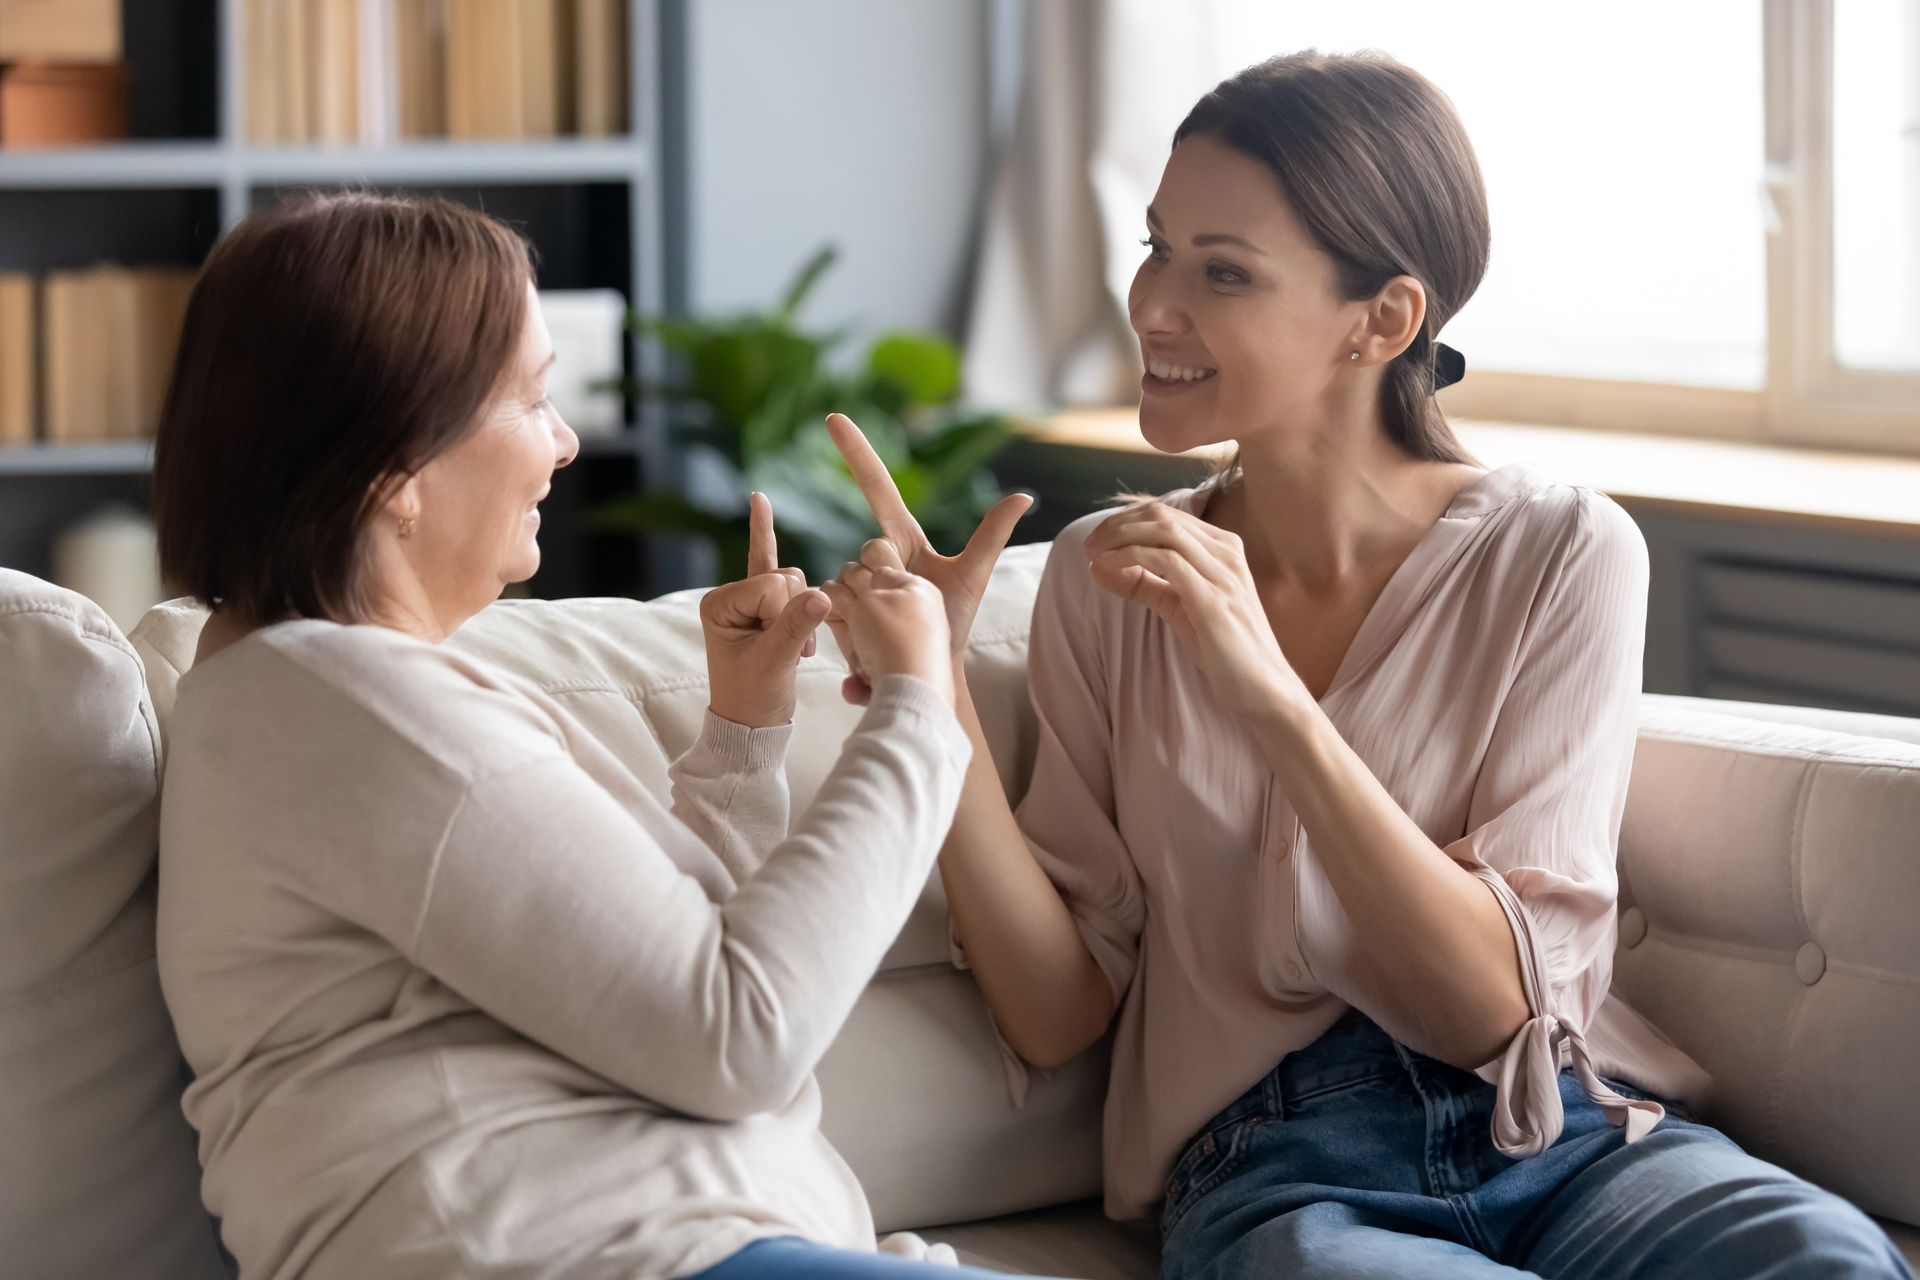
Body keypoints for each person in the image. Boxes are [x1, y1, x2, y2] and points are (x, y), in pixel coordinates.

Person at [823, 51, 1912, 1279]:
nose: (1153, 304)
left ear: (1382, 319)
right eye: (1157, 246)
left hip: (1566, 1134)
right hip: (1279, 1174)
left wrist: (1270, 698)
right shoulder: (1104, 577)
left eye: (1222, 269)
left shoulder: (1559, 550)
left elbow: (1491, 1011)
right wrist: (939, 691)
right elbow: (1058, 1012)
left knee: (1826, 1256)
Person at [150, 191, 1030, 1279]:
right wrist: (919, 700)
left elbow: (661, 982)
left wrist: (743, 734)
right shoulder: (333, 698)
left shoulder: (326, 697)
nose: (564, 443)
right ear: (395, 470)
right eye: (532, 398)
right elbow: (740, 1031)